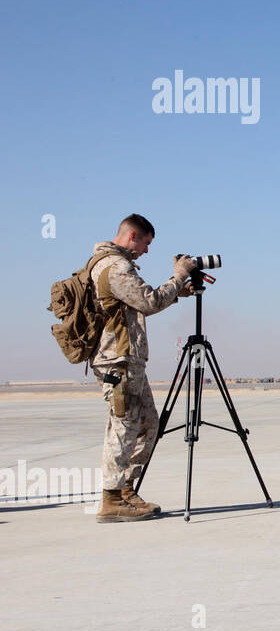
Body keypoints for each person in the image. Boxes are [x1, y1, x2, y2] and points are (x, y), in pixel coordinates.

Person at [89, 214, 196, 523]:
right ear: (132, 236)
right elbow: (148, 302)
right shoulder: (114, 266)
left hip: (128, 361)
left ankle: (125, 491)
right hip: (116, 360)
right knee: (123, 428)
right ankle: (111, 499)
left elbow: (138, 301)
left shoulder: (116, 264)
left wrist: (176, 292)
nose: (147, 251)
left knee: (148, 424)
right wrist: (178, 276)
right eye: (146, 243)